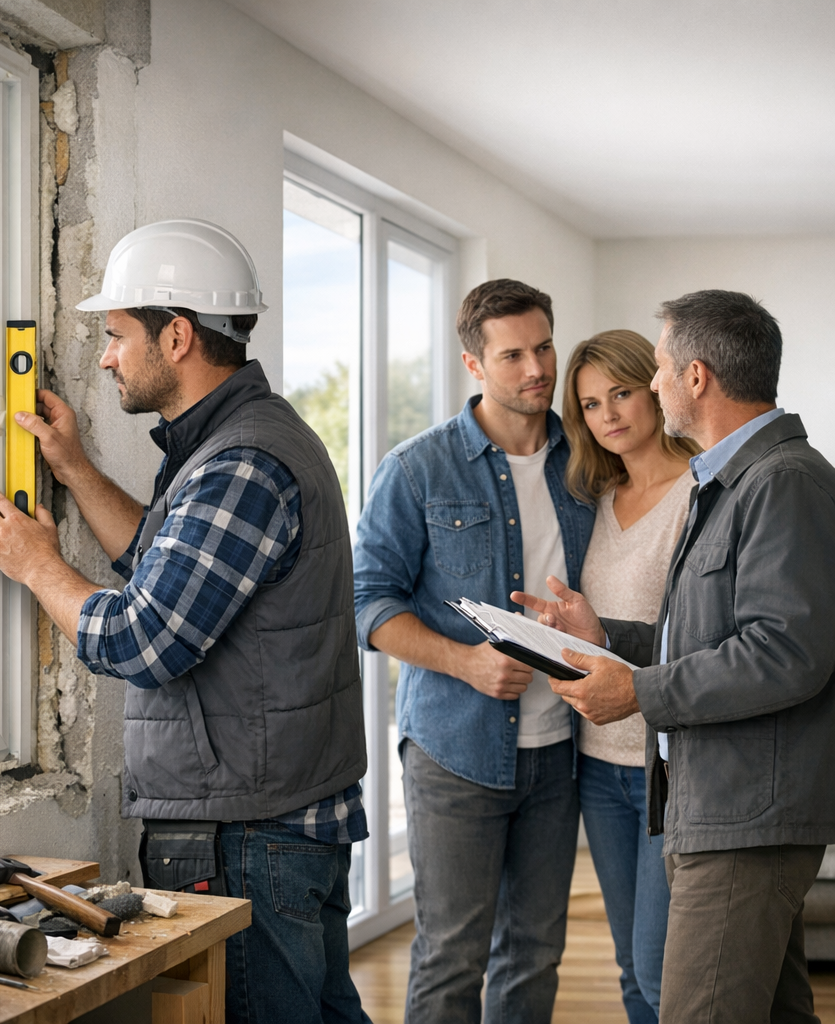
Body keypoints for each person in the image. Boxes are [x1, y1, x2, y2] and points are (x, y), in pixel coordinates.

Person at [0, 219, 371, 1024]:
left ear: (179, 336)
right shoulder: (234, 442)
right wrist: (75, 471)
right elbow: (170, 568)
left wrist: (35, 564)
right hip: (278, 818)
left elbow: (143, 637)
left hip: (248, 832)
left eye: (117, 335)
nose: (107, 356)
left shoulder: (242, 464)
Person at [514, 290, 835, 1024]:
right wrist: (609, 642)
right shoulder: (735, 482)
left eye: (655, 369)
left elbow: (787, 652)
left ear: (695, 378)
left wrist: (640, 693)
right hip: (725, 802)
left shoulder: (781, 482)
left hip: (744, 810)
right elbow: (710, 633)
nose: (651, 386)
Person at [354, 279, 595, 1024]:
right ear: (473, 363)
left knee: (533, 953)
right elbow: (367, 604)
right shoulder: (417, 469)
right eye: (513, 354)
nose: (537, 369)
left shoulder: (587, 464)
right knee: (451, 955)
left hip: (559, 750)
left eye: (545, 346)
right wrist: (465, 661)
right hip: (454, 752)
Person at [561, 330, 699, 1022]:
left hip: (667, 765)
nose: (608, 414)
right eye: (589, 404)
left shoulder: (703, 491)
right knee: (629, 968)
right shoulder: (597, 498)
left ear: (655, 385)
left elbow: (702, 637)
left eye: (620, 392)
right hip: (598, 764)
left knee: (659, 964)